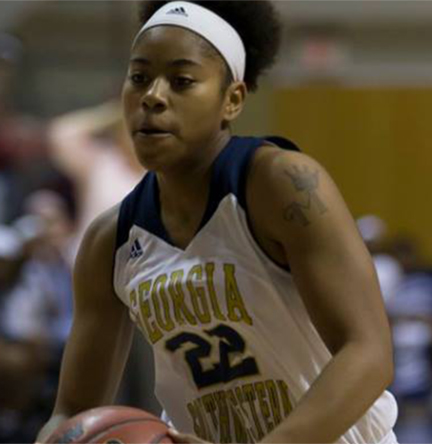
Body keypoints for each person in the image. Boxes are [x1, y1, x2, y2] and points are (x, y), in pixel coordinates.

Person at [37, 1, 398, 443]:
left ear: (232, 99)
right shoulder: (109, 240)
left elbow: (368, 353)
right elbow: (72, 413)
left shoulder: (280, 185)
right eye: (139, 77)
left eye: (182, 81)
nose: (152, 96)